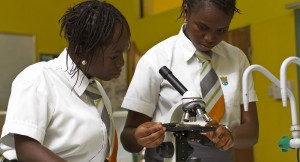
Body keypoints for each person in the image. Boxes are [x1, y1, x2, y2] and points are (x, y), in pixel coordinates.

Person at [120, 0, 258, 162]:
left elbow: (252, 131)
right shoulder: (155, 59)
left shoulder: (237, 59)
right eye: (202, 27)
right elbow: (128, 138)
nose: (210, 38)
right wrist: (139, 137)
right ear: (186, 12)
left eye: (221, 30)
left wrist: (230, 136)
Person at [0, 0, 131, 162]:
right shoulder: (38, 79)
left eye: (123, 54)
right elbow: (26, 149)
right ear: (82, 49)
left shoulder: (96, 91)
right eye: (114, 56)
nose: (121, 63)